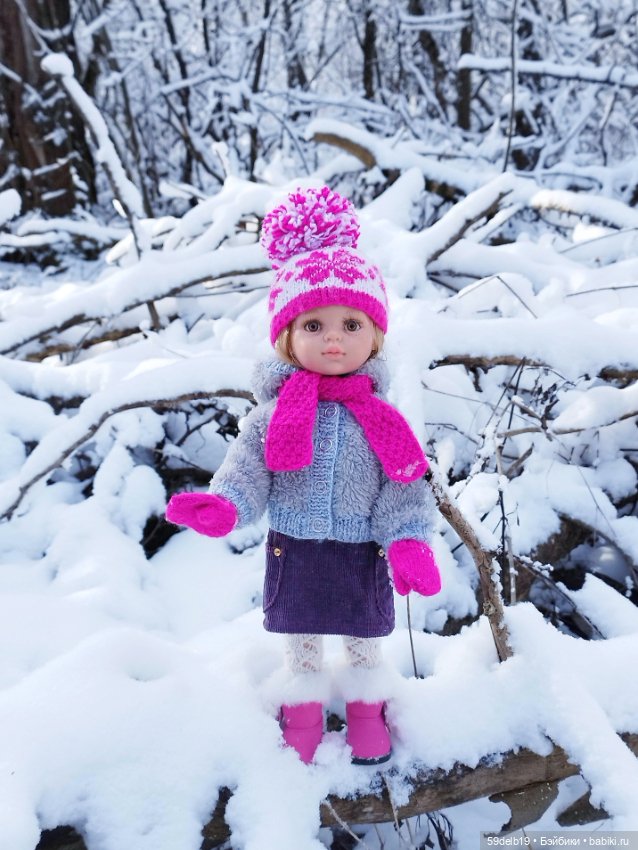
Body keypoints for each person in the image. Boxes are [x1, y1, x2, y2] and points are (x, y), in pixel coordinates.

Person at [166, 186, 441, 765]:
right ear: (287, 337)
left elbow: (405, 487)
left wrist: (409, 541)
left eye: (350, 323)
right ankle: (304, 711)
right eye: (313, 326)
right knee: (304, 642)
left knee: (366, 640)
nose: (334, 337)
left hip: (361, 551)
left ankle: (367, 711)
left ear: (375, 335)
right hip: (295, 545)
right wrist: (226, 506)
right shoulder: (272, 418)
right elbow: (247, 472)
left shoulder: (383, 421)